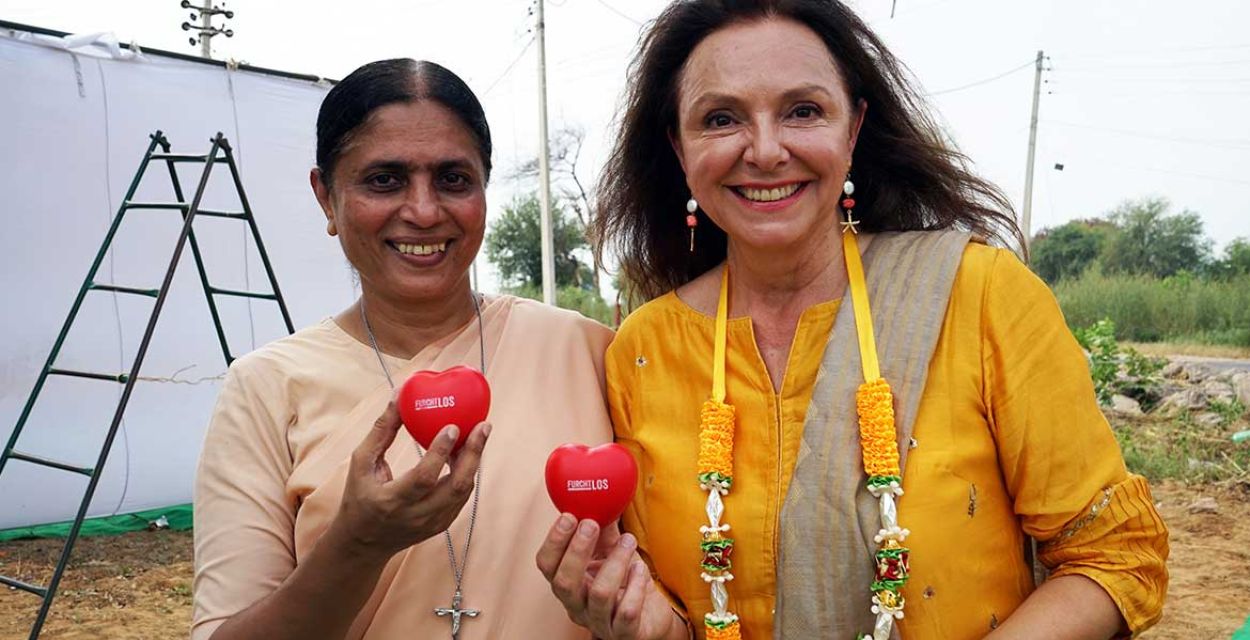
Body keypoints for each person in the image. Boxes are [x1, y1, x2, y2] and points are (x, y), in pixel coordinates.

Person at [536, 2, 1169, 640]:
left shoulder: (978, 296)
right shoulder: (644, 349)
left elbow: (1114, 555)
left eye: (803, 111)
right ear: (679, 146)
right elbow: (681, 606)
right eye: (720, 119)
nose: (764, 150)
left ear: (854, 128)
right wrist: (649, 627)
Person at [193, 58, 612, 640]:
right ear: (326, 197)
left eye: (453, 179)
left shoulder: (585, 351)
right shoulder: (266, 387)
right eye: (384, 180)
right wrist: (357, 544)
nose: (423, 211)